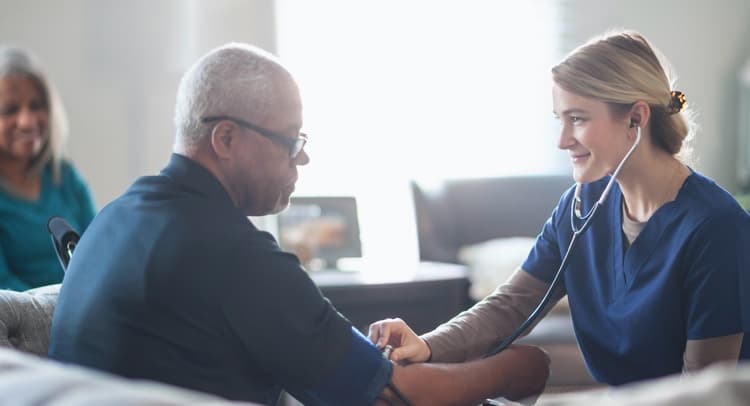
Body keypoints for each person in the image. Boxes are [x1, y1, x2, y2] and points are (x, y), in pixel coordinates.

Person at [48, 43, 549, 405]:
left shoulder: (115, 217)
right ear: (225, 139)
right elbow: (391, 399)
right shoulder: (233, 253)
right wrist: (513, 370)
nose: (302, 158)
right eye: (290, 140)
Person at [369, 30, 750, 386]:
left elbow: (704, 389)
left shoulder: (716, 228)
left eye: (577, 119)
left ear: (636, 118)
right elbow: (510, 305)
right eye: (560, 120)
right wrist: (428, 345)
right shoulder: (581, 207)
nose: (563, 141)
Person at [0, 46, 96, 291]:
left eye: (36, 106)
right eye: (11, 110)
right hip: (22, 325)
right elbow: (6, 294)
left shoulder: (64, 176)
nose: (27, 121)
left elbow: (100, 255)